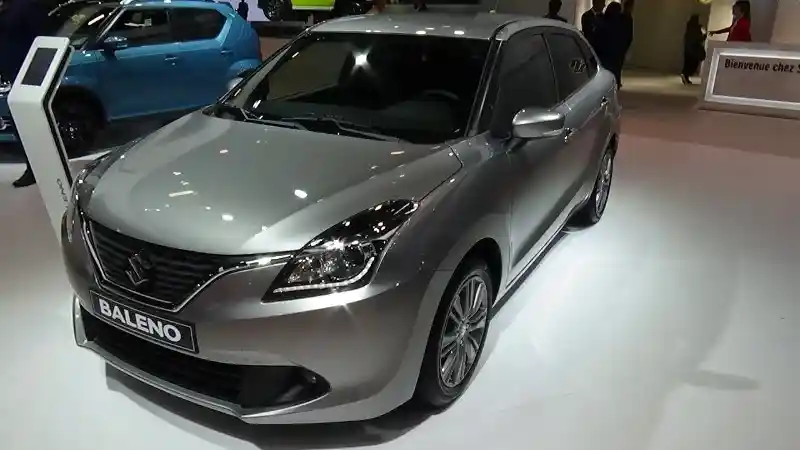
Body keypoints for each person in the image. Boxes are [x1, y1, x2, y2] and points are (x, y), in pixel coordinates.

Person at [0, 0, 49, 188]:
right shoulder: (7, 7)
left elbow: (40, 39)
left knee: (29, 122)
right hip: (11, 75)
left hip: (27, 74)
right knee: (19, 123)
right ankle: (34, 167)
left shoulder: (27, 5)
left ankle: (38, 168)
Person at [594, 1, 626, 88]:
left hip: (602, 54)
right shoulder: (620, 23)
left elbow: (596, 38)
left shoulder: (601, 21)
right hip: (614, 55)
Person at [681, 14, 706, 85]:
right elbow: (703, 36)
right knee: (694, 64)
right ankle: (686, 75)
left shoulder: (689, 27)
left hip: (688, 49)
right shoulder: (699, 27)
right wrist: (704, 36)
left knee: (687, 63)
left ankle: (685, 75)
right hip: (695, 49)